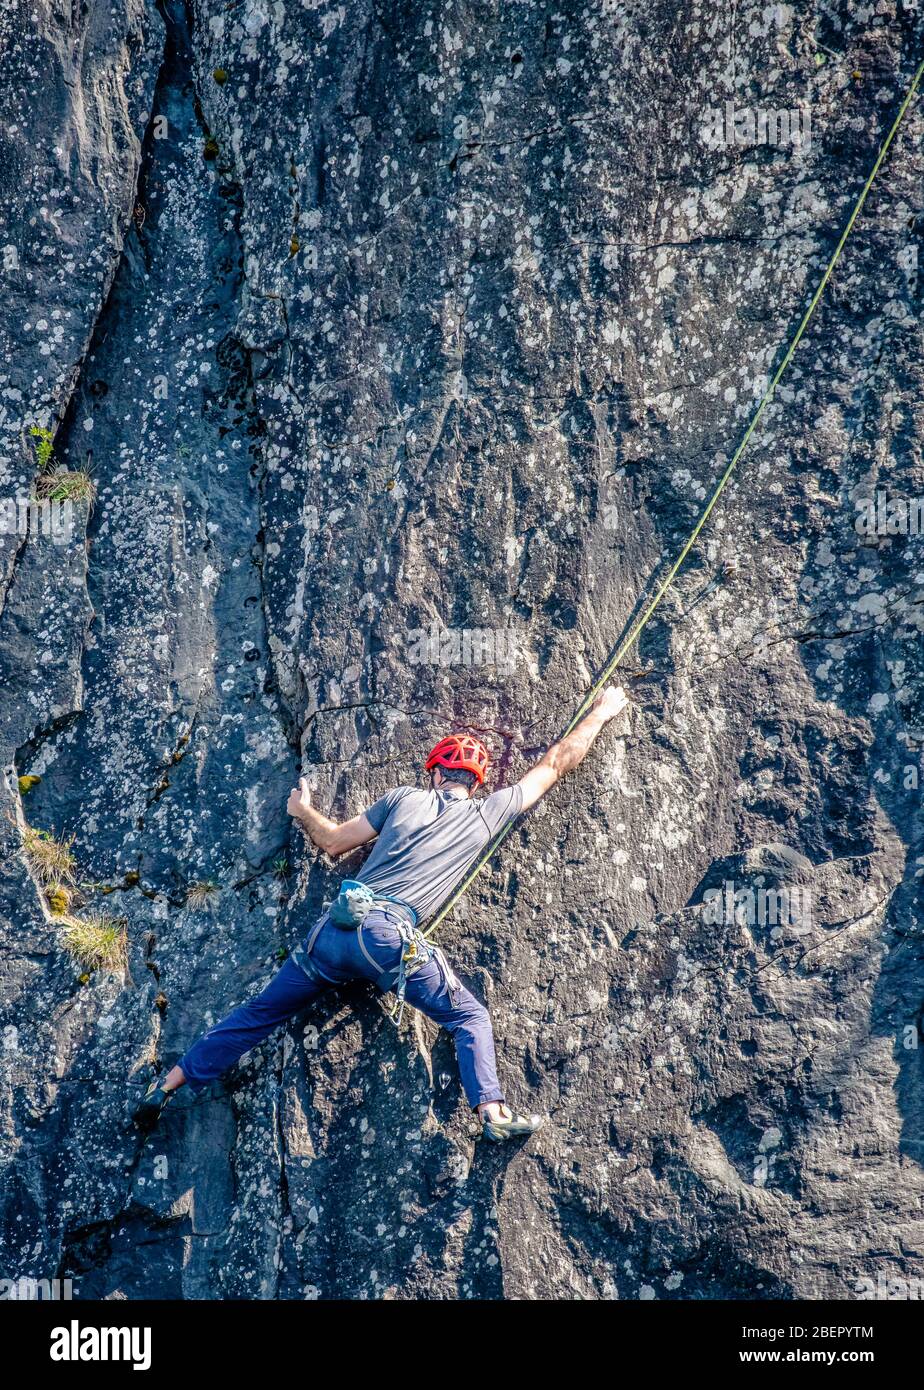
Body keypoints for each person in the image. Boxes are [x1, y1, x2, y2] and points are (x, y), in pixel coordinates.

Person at [133, 685, 630, 1139]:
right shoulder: (488, 812)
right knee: (469, 1016)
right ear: (475, 783)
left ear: (434, 771)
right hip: (387, 939)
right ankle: (493, 1114)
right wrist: (602, 711)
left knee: (257, 1015)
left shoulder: (402, 799)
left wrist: (302, 809)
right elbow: (558, 762)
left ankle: (167, 1085)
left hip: (332, 931)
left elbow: (331, 842)